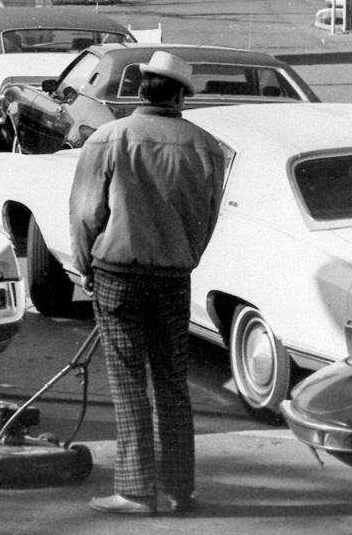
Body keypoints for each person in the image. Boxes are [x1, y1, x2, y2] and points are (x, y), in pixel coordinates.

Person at [69, 50, 224, 516]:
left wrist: (85, 268)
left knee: (128, 380)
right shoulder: (206, 146)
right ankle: (179, 489)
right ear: (181, 97)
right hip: (174, 276)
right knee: (172, 383)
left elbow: (85, 213)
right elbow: (206, 217)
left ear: (140, 90)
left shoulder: (110, 137)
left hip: (117, 272)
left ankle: (136, 491)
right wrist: (186, 258)